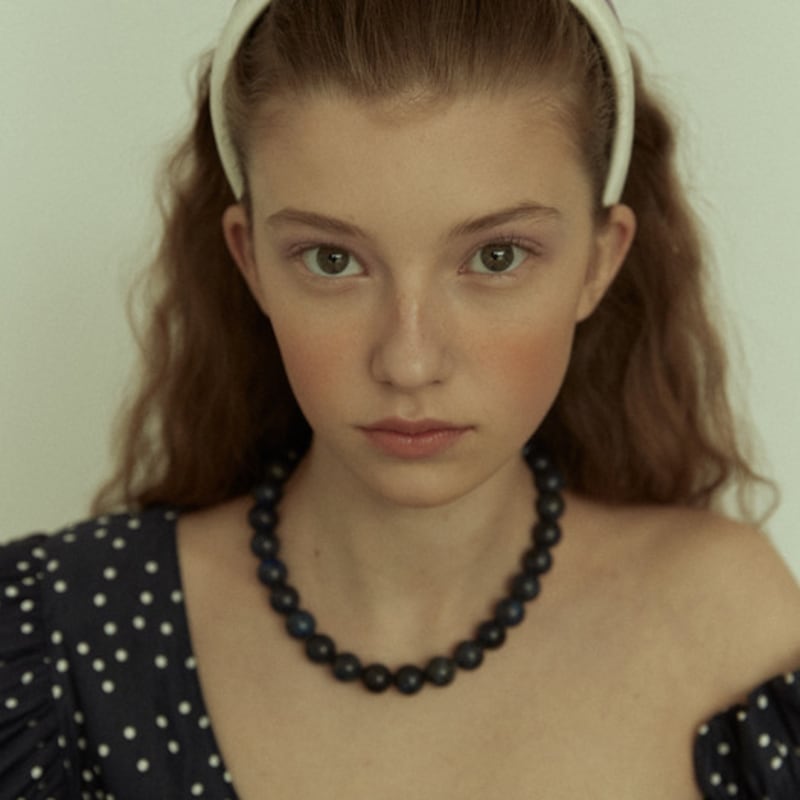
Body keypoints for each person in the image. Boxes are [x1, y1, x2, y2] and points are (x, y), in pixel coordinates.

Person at [2, 0, 798, 796]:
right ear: (251, 262)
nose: (409, 362)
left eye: (496, 256)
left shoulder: (730, 631)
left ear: (598, 261)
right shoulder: (55, 640)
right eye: (331, 260)